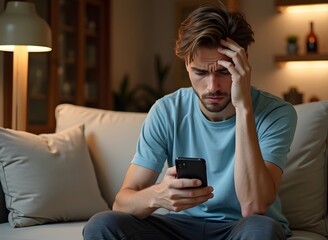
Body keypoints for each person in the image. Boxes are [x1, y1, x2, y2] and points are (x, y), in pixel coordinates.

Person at [83, 2, 297, 239]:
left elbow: (253, 206)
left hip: (239, 228)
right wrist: (158, 195)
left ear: (244, 62)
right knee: (102, 225)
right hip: (179, 226)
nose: (213, 87)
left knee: (262, 230)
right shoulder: (166, 110)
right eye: (201, 72)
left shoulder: (276, 113)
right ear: (186, 64)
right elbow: (122, 202)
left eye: (225, 71)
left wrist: (243, 106)